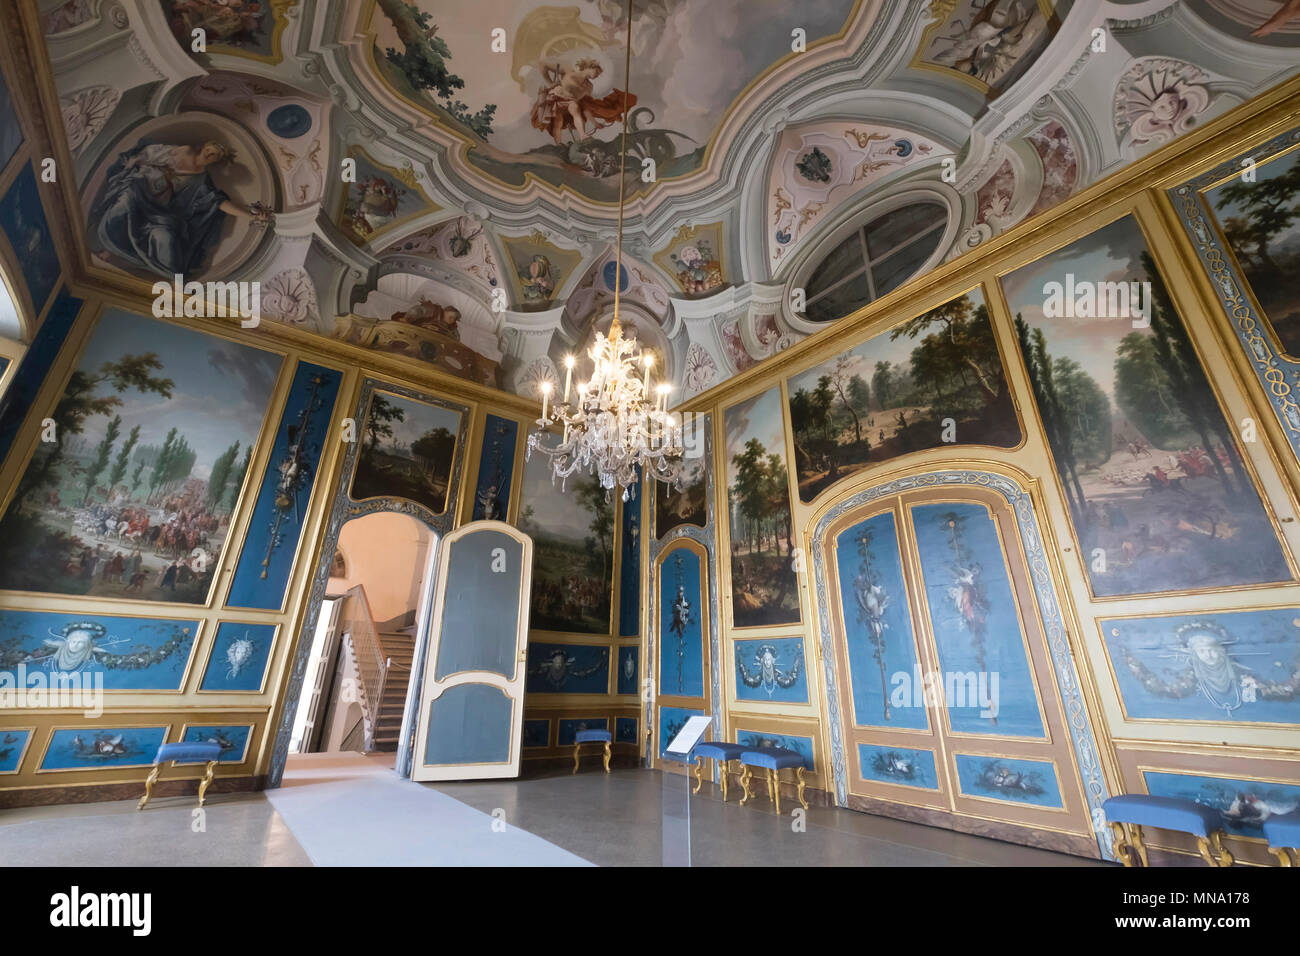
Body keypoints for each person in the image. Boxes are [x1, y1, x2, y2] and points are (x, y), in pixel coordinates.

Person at [90, 139, 273, 277]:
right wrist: (139, 159)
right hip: (142, 188)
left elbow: (218, 202)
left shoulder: (202, 180)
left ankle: (170, 277)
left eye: (215, 155)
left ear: (215, 161)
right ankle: (108, 249)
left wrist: (248, 215)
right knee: (125, 202)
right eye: (211, 149)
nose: (211, 154)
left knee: (166, 235)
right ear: (204, 147)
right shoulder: (184, 151)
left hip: (159, 208)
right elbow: (153, 153)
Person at [530, 59, 636, 145]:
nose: (597, 76)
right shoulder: (568, 70)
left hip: (570, 102)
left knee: (575, 108)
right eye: (597, 72)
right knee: (558, 121)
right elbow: (543, 64)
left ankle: (582, 135)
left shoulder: (589, 86)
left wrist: (595, 122)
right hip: (555, 99)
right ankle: (558, 145)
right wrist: (550, 83)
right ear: (591, 67)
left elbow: (585, 106)